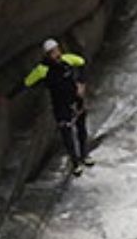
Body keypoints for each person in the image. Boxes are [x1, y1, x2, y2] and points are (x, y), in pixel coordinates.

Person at [9, 38, 94, 174]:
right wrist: (9, 96)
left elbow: (82, 63)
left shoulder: (67, 59)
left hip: (75, 99)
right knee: (67, 133)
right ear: (48, 55)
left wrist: (81, 83)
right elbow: (27, 82)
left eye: (57, 50)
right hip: (60, 105)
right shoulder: (42, 69)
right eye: (53, 52)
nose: (57, 54)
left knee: (81, 128)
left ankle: (84, 155)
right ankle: (75, 162)